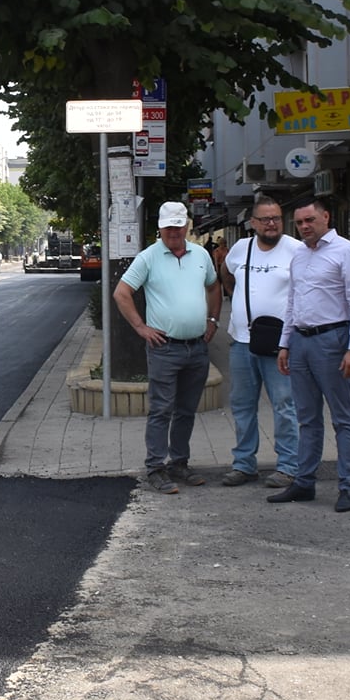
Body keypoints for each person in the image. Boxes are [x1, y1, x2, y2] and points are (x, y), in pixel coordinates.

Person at [113, 200, 222, 494]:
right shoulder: (148, 258)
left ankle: (179, 463)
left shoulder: (200, 254)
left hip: (197, 347)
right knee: (161, 410)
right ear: (160, 229)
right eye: (168, 227)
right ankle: (156, 468)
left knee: (186, 410)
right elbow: (122, 293)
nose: (174, 232)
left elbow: (214, 286)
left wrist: (213, 320)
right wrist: (140, 327)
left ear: (187, 226)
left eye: (179, 226)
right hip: (165, 348)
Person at [272, 197, 350, 511]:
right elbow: (292, 302)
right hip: (300, 341)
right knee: (307, 419)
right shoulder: (299, 256)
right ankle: (304, 482)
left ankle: (348, 486)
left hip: (332, 340)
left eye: (310, 220)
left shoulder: (347, 252)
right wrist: (285, 343)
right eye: (299, 223)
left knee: (343, 418)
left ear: (325, 217)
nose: (304, 227)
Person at [217, 192, 303, 489]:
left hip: (281, 344)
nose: (271, 224)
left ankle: (289, 466)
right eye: (265, 219)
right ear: (252, 222)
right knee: (242, 406)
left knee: (284, 405)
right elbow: (227, 276)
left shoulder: (297, 250)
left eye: (276, 218)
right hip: (241, 342)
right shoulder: (241, 249)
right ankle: (244, 464)